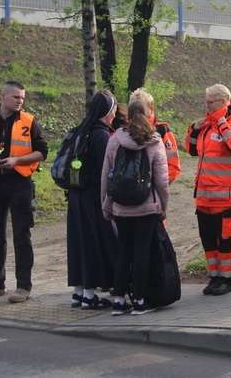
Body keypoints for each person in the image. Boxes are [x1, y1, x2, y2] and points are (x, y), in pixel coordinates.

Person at [0, 81, 48, 303]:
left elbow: (42, 152)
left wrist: (17, 160)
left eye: (22, 98)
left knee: (22, 233)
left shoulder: (29, 121)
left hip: (20, 181)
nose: (20, 101)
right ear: (3, 96)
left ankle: (23, 286)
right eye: (16, 97)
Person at [102, 101, 170, 316]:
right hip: (146, 206)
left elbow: (106, 174)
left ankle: (119, 300)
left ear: (128, 116)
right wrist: (163, 205)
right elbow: (161, 180)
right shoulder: (154, 140)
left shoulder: (115, 139)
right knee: (142, 252)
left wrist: (106, 203)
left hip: (121, 205)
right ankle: (140, 301)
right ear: (149, 114)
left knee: (124, 251)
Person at [185, 84, 231, 296]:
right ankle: (214, 277)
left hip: (226, 198)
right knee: (209, 240)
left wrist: (223, 126)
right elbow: (191, 149)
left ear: (223, 102)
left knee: (225, 241)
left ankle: (226, 279)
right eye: (206, 102)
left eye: (210, 102)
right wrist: (194, 129)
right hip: (204, 199)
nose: (207, 106)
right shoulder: (206, 125)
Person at [66, 90, 119, 310]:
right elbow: (108, 169)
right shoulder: (101, 135)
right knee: (96, 243)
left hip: (76, 195)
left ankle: (78, 292)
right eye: (114, 108)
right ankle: (90, 294)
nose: (115, 113)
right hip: (94, 197)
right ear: (108, 110)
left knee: (78, 242)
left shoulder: (80, 131)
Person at [129, 88, 181, 184]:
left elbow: (173, 165)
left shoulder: (162, 130)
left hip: (154, 189)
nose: (137, 115)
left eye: (141, 110)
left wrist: (160, 185)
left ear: (151, 109)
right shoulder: (124, 130)